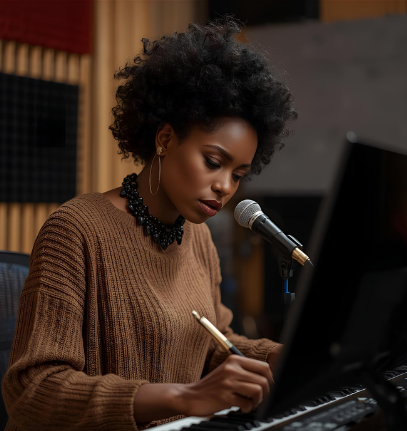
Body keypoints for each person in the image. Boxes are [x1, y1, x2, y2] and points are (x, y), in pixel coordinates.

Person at [2, 18, 295, 431]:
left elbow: (214, 346)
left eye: (238, 173)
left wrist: (281, 356)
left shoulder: (198, 236)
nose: (224, 187)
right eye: (213, 162)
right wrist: (185, 397)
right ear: (165, 139)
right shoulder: (74, 230)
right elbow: (33, 390)